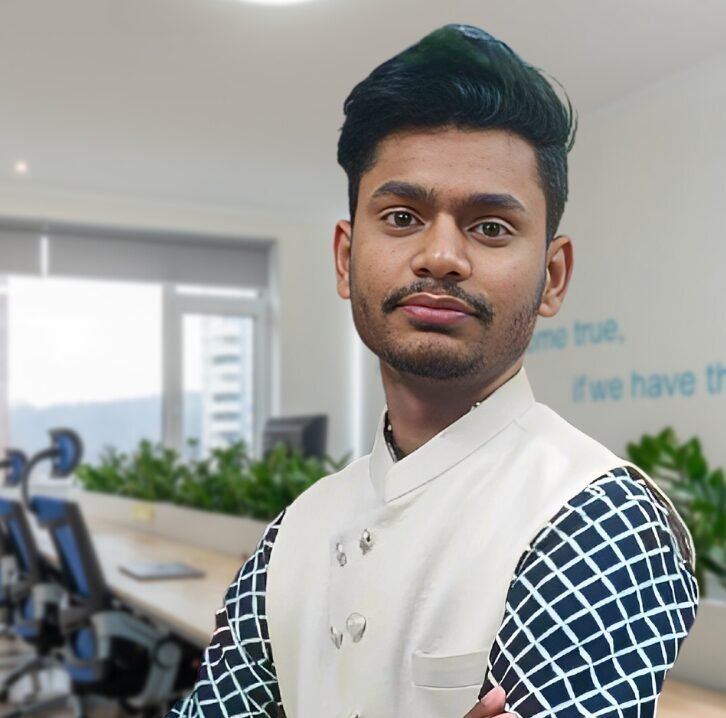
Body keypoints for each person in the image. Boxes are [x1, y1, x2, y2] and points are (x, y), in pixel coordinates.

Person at [168, 24, 698, 718]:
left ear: (553, 277)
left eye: (490, 227)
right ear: (344, 256)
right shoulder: (293, 532)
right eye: (401, 215)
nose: (441, 256)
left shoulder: (597, 518)